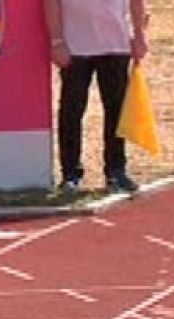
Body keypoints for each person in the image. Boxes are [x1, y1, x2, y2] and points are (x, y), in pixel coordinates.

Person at [44, 0, 148, 194]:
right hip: (75, 47)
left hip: (116, 45)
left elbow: (137, 2)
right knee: (71, 111)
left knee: (117, 110)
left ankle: (116, 170)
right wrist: (57, 41)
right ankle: (70, 174)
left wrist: (140, 34)